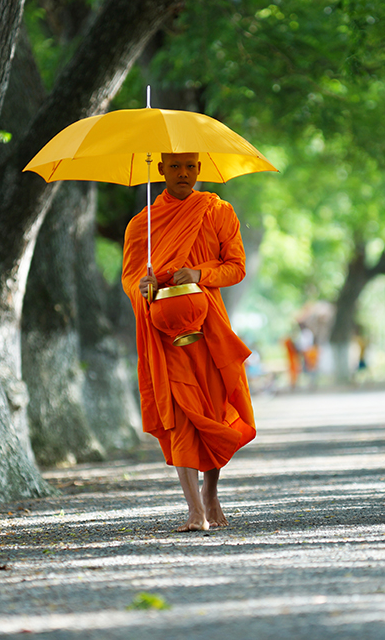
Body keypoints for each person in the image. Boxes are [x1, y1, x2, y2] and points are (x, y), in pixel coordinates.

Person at [122, 152, 256, 532]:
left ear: (199, 169)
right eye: (175, 166)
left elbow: (236, 267)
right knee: (181, 414)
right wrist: (142, 287)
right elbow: (130, 278)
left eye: (190, 166)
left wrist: (199, 272)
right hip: (164, 333)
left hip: (209, 327)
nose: (184, 174)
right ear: (160, 169)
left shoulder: (217, 211)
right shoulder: (141, 225)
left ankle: (211, 495)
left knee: (212, 411)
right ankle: (194, 509)